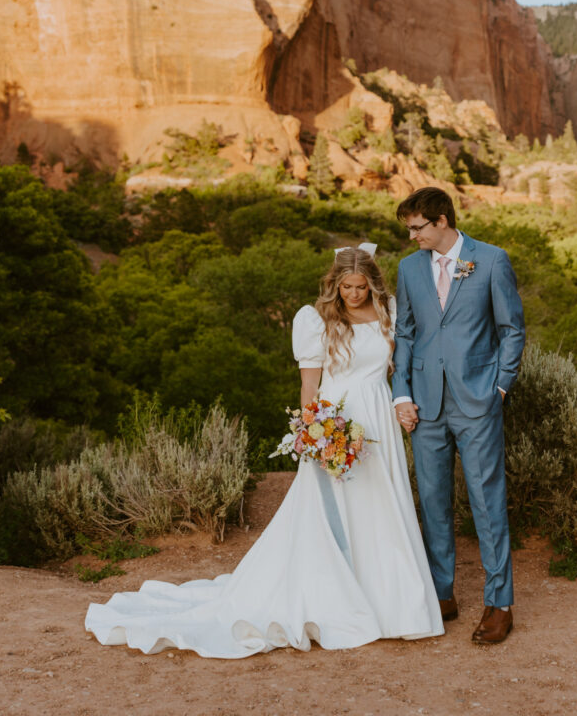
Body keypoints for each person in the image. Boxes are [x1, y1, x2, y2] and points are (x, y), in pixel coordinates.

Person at [85, 245, 443, 658]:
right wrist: (315, 429)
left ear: (373, 283)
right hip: (337, 416)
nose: (353, 294)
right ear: (335, 284)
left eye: (361, 286)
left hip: (378, 413)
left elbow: (405, 363)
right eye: (346, 286)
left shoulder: (390, 313)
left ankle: (391, 602)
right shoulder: (316, 319)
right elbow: (310, 384)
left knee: (382, 503)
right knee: (337, 506)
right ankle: (338, 592)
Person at [392, 187, 525, 644]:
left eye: (417, 227)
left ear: (442, 220)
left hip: (477, 402)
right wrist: (401, 394)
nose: (411, 237)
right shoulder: (409, 269)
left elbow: (512, 330)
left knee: (487, 502)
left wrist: (499, 387)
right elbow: (405, 335)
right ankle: (441, 593)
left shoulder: (490, 260)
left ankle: (499, 602)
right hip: (425, 406)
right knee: (432, 501)